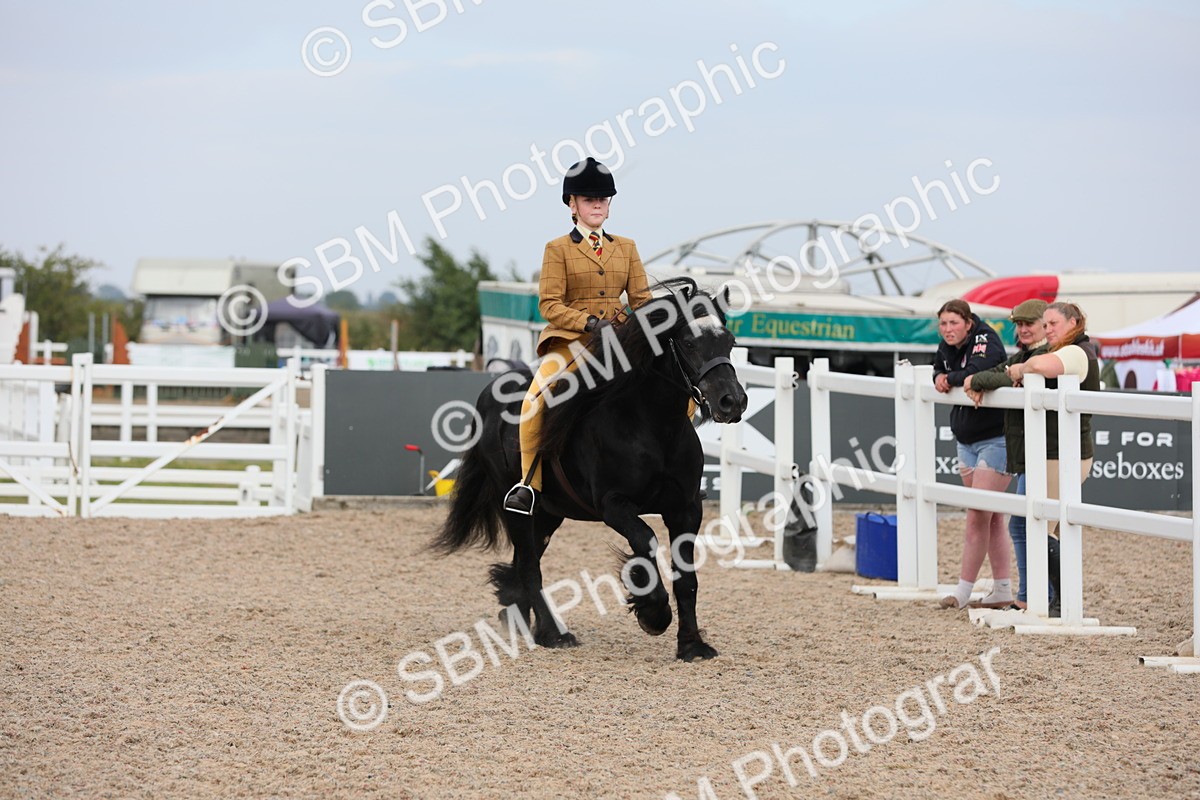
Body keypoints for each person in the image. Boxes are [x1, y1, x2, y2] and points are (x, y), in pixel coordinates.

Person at [503, 157, 651, 515]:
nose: (597, 204)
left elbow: (642, 300)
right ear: (573, 204)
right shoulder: (558, 249)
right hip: (572, 341)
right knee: (534, 402)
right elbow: (549, 304)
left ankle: (677, 474)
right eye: (588, 199)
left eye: (603, 198)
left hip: (619, 341)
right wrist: (587, 323)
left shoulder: (627, 247)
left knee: (673, 387)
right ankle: (529, 485)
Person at [998, 301, 1099, 617]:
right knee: (1028, 524)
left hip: (1062, 455)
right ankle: (1040, 596)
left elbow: (1042, 367)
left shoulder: (1077, 351)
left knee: (1039, 527)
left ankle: (1057, 599)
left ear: (1074, 322)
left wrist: (1019, 369)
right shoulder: (1072, 349)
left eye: (1054, 323)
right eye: (1047, 323)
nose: (1048, 329)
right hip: (1053, 453)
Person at [964, 299, 1049, 610]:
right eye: (1019, 324)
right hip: (1028, 451)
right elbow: (998, 372)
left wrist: (982, 380)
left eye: (1029, 324)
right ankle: (1031, 596)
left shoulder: (1042, 355)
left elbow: (996, 374)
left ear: (1045, 325)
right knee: (1025, 523)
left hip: (1043, 451)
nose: (1023, 329)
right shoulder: (1026, 354)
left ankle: (1035, 597)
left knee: (1029, 524)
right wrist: (981, 380)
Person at [932, 299, 1012, 610]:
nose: (947, 329)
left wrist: (947, 379)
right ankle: (1003, 589)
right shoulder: (947, 344)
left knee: (978, 514)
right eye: (943, 324)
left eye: (953, 323)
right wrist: (940, 375)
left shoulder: (985, 339)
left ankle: (962, 592)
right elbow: (938, 367)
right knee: (989, 517)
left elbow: (976, 371)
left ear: (968, 322)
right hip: (966, 439)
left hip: (996, 439)